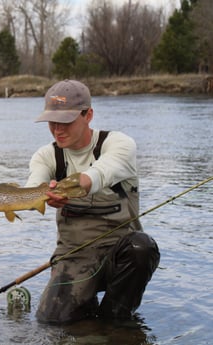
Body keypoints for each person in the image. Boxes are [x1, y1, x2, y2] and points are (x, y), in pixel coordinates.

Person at [25, 79, 160, 323]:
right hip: (73, 257)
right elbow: (32, 190)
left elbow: (98, 175)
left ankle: (114, 322)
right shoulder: (46, 156)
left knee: (143, 247)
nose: (58, 130)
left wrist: (63, 190)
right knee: (51, 323)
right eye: (51, 122)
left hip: (120, 257)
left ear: (88, 115)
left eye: (65, 121)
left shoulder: (119, 144)